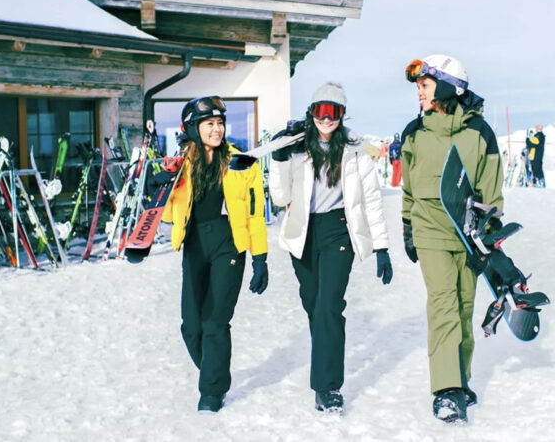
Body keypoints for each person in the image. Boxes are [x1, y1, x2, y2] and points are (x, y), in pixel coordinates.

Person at [269, 82, 393, 413]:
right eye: (320, 112)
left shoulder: (355, 149)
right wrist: (279, 158)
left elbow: (371, 198)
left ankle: (327, 386)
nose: (326, 119)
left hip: (339, 231)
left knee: (328, 307)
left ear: (342, 115)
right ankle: (326, 351)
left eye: (334, 113)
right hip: (303, 233)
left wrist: (381, 247)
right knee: (313, 304)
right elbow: (280, 198)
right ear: (311, 113)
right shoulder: (297, 147)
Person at [401, 54, 503, 423]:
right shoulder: (414, 132)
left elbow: (491, 190)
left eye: (425, 85)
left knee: (463, 307)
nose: (419, 93)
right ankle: (446, 390)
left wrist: (489, 239)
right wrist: (408, 227)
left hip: (467, 232)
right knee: (443, 305)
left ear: (446, 87)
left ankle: (460, 379)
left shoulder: (480, 133)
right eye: (418, 87)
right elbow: (408, 187)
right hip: (429, 230)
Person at [162, 96, 269, 413]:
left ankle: (212, 391)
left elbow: (255, 213)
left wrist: (260, 258)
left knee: (215, 321)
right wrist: (164, 185)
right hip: (194, 244)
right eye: (209, 123)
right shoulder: (181, 164)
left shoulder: (242, 163)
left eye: (220, 122)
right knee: (191, 326)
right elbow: (167, 215)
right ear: (193, 128)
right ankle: (214, 369)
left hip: (229, 243)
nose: (217, 129)